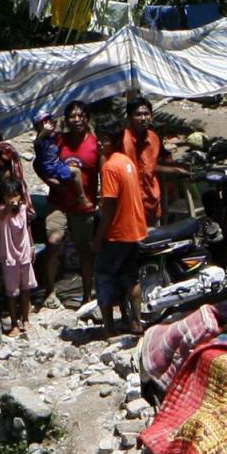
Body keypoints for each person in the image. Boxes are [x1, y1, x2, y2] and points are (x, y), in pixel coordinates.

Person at [37, 102, 100, 306]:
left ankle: (87, 296)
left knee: (85, 251)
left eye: (81, 116)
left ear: (87, 119)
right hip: (59, 203)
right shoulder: (59, 140)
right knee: (53, 242)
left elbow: (103, 171)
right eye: (72, 116)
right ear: (66, 120)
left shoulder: (95, 144)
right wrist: (51, 183)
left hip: (83, 207)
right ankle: (50, 291)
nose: (77, 120)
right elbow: (38, 163)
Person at [95, 132, 149, 334]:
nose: (100, 143)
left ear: (115, 141)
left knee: (104, 276)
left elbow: (109, 206)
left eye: (104, 139)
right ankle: (136, 322)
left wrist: (98, 237)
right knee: (130, 277)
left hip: (117, 232)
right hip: (134, 230)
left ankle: (108, 328)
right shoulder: (126, 162)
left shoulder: (110, 167)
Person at [116, 95, 180, 224]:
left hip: (151, 200)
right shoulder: (121, 139)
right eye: (138, 115)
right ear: (129, 118)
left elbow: (153, 166)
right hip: (128, 201)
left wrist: (175, 171)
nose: (143, 118)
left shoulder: (154, 138)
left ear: (151, 116)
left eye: (146, 114)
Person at [0, 177, 36, 335]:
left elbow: (27, 228)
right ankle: (14, 323)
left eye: (15, 195)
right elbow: (3, 214)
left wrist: (31, 246)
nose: (13, 199)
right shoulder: (1, 211)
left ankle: (26, 319)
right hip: (9, 257)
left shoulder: (24, 209)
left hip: (24, 254)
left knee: (26, 289)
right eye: (9, 196)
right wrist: (9, 206)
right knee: (12, 292)